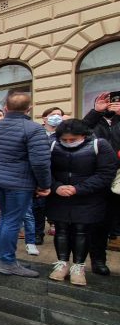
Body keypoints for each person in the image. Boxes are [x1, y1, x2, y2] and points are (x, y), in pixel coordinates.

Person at [46, 119, 116, 286]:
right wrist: (56, 187)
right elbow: (43, 169)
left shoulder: (100, 145)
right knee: (61, 230)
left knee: (81, 230)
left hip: (88, 197)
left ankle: (78, 266)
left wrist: (78, 189)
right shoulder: (52, 145)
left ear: (84, 135)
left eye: (73, 139)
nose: (69, 143)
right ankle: (62, 263)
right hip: (59, 195)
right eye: (65, 140)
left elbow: (106, 173)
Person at [0, 92, 51, 277]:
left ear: (5, 108)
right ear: (29, 108)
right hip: (19, 182)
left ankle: (0, 256)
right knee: (12, 221)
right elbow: (40, 162)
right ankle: (7, 261)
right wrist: (44, 184)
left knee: (5, 219)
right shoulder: (33, 129)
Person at [82, 91, 120, 274]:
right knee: (101, 223)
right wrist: (96, 111)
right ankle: (98, 260)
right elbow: (78, 131)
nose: (112, 104)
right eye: (109, 101)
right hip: (101, 179)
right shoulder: (95, 121)